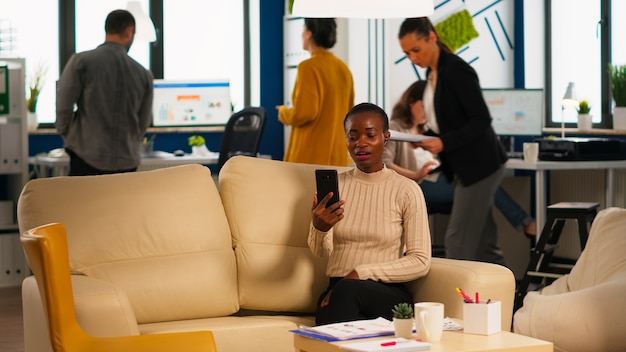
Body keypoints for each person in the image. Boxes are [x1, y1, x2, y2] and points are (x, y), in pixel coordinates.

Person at [397, 17, 508, 266]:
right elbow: (447, 122)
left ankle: (457, 303)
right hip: (464, 168)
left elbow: (480, 119)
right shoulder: (432, 73)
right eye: (407, 53)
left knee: (457, 242)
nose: (413, 58)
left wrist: (444, 143)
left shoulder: (456, 70)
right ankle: (508, 300)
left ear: (432, 38)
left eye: (416, 50)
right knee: (484, 246)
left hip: (480, 166)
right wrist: (427, 139)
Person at [309, 102, 431, 325]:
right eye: (352, 136)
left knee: (346, 294)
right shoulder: (335, 187)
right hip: (337, 289)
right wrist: (319, 228)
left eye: (370, 135)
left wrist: (360, 272)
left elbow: (420, 261)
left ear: (385, 137)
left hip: (387, 293)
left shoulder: (407, 190)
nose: (360, 144)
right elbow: (319, 252)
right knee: (336, 303)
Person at [384, 80, 537, 240]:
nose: (427, 113)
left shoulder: (427, 130)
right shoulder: (396, 128)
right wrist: (416, 174)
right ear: (411, 103)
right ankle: (527, 224)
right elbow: (385, 165)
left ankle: (480, 255)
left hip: (436, 179)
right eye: (424, 107)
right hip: (417, 186)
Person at [56, 9, 154, 176]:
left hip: (85, 158)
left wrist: (71, 138)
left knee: (84, 203)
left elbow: (63, 107)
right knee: (121, 203)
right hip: (127, 162)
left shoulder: (81, 62)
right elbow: (143, 121)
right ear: (129, 32)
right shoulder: (143, 74)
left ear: (107, 29)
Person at [276, 18, 354, 166]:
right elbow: (350, 112)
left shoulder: (308, 67)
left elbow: (305, 113)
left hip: (310, 157)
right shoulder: (343, 69)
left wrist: (284, 113)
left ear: (308, 34)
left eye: (303, 30)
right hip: (337, 155)